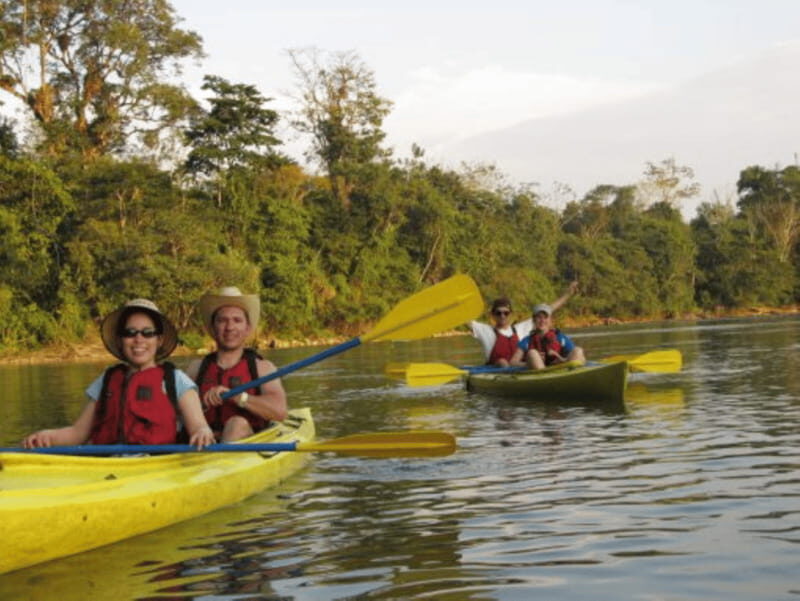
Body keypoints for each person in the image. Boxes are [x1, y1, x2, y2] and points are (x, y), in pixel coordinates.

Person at [23, 299, 215, 449]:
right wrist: (47, 436)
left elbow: (198, 425)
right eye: (129, 332)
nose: (138, 339)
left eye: (147, 333)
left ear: (159, 340)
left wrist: (203, 431)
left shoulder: (175, 379)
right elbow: (77, 433)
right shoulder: (106, 380)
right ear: (121, 340)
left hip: (157, 466)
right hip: (109, 464)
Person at [185, 287, 288, 442]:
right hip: (204, 444)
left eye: (237, 320)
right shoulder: (196, 369)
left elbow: (280, 412)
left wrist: (238, 397)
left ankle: (221, 458)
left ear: (247, 329)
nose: (230, 327)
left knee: (236, 424)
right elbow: (176, 412)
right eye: (222, 320)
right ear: (213, 328)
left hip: (247, 443)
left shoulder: (263, 368)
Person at [470, 281, 579, 366]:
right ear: (493, 315)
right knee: (502, 362)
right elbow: (465, 320)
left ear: (511, 314)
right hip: (497, 369)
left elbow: (547, 311)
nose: (502, 316)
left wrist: (567, 294)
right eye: (498, 313)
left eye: (506, 313)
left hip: (521, 369)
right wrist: (454, 304)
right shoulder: (485, 330)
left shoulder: (520, 329)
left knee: (577, 352)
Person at [510, 303, 586, 370]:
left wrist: (561, 359)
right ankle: (542, 376)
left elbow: (576, 355)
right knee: (532, 353)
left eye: (545, 317)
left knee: (578, 350)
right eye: (539, 317)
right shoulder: (527, 340)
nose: (542, 320)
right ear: (534, 320)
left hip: (560, 368)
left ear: (550, 320)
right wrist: (530, 362)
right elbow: (513, 362)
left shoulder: (560, 337)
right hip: (539, 370)